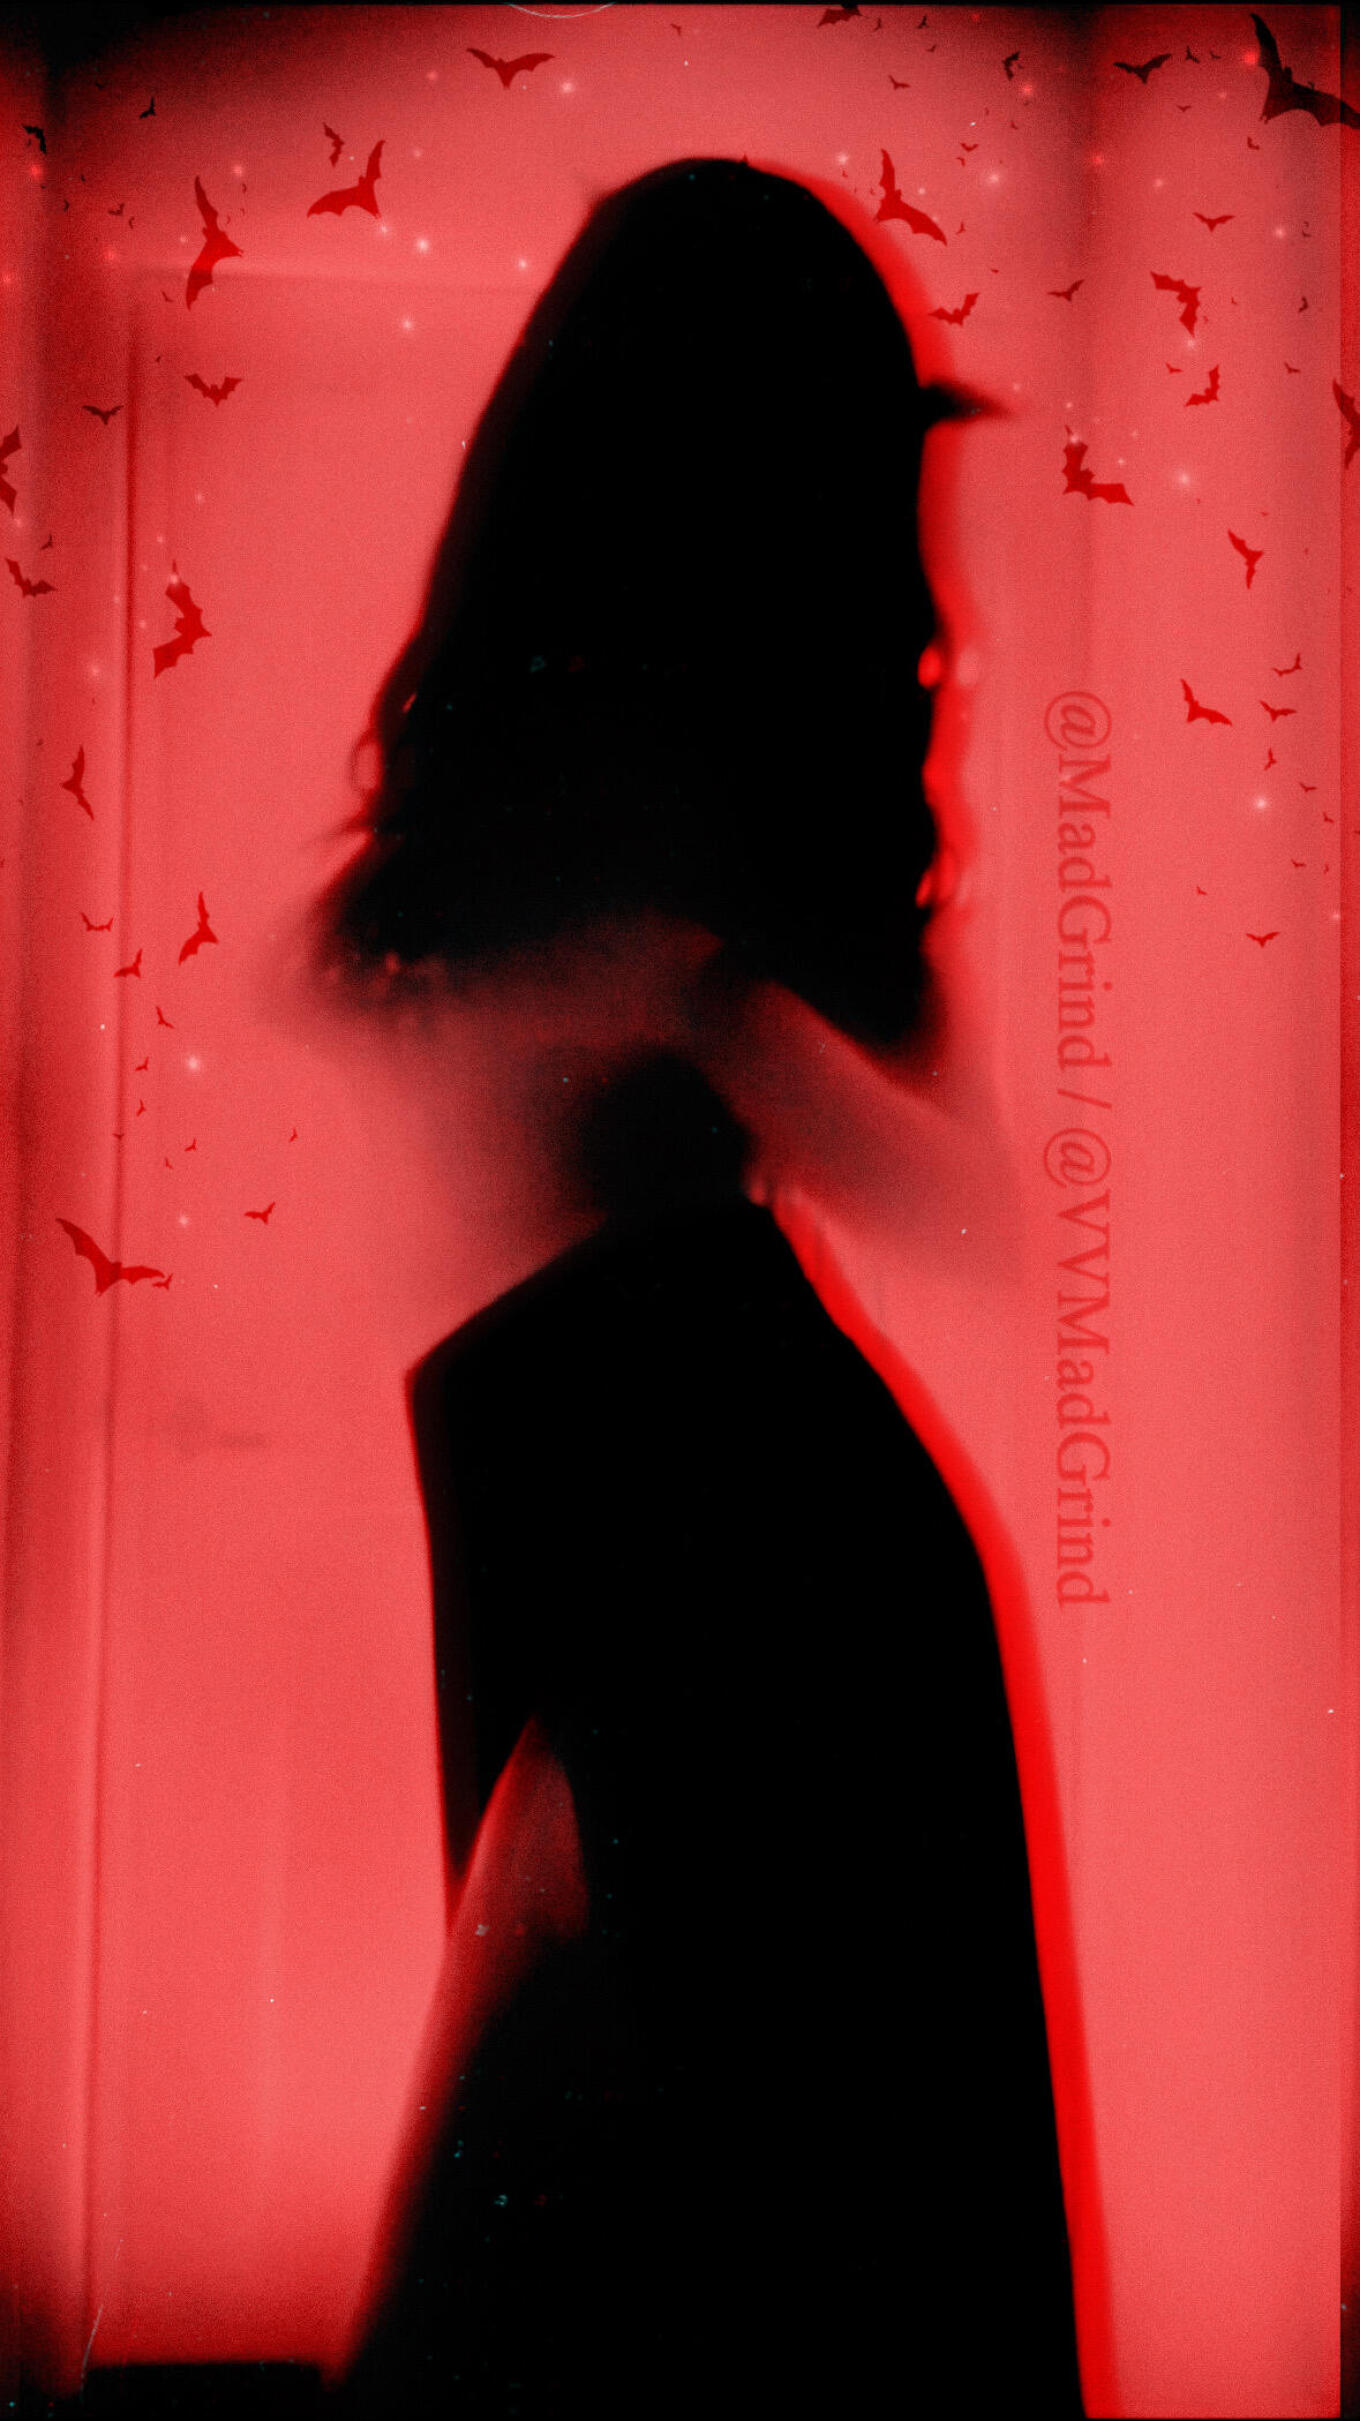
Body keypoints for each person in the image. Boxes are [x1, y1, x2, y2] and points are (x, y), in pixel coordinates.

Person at [310, 158, 1084, 2419]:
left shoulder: (615, 1405)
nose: (937, 695)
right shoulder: (738, 1492)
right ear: (728, 655)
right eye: (886, 632)